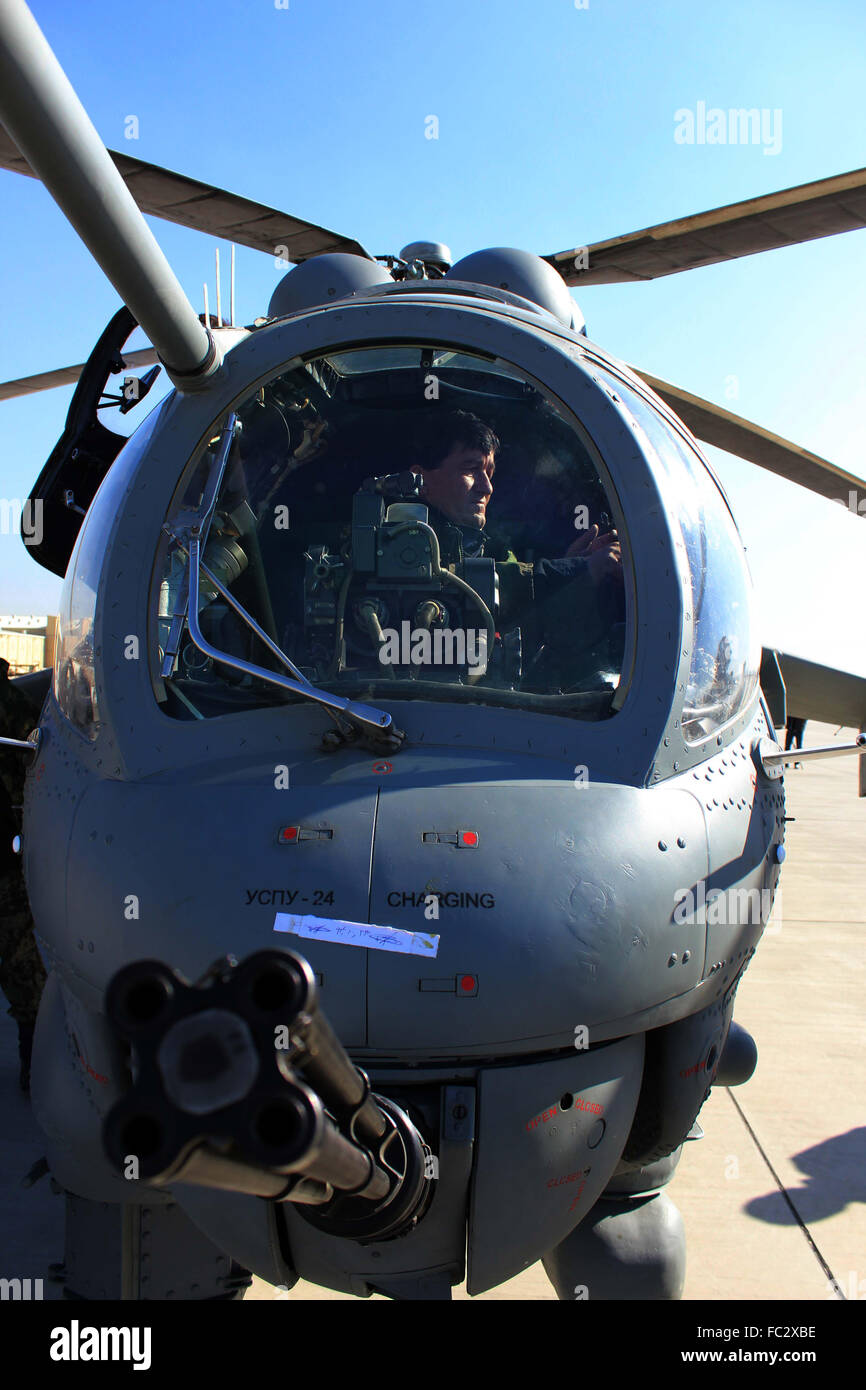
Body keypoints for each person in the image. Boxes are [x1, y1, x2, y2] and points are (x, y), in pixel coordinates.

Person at [412, 409, 624, 684]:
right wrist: (577, 570)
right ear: (420, 479)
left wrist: (573, 578)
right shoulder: (402, 546)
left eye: (489, 473)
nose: (486, 487)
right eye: (471, 470)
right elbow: (469, 585)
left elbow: (524, 625)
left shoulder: (494, 551)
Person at [0, 658, 46, 1092]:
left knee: (22, 965)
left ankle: (35, 1064)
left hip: (7, 859)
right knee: (22, 966)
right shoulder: (13, 703)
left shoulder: (11, 705)